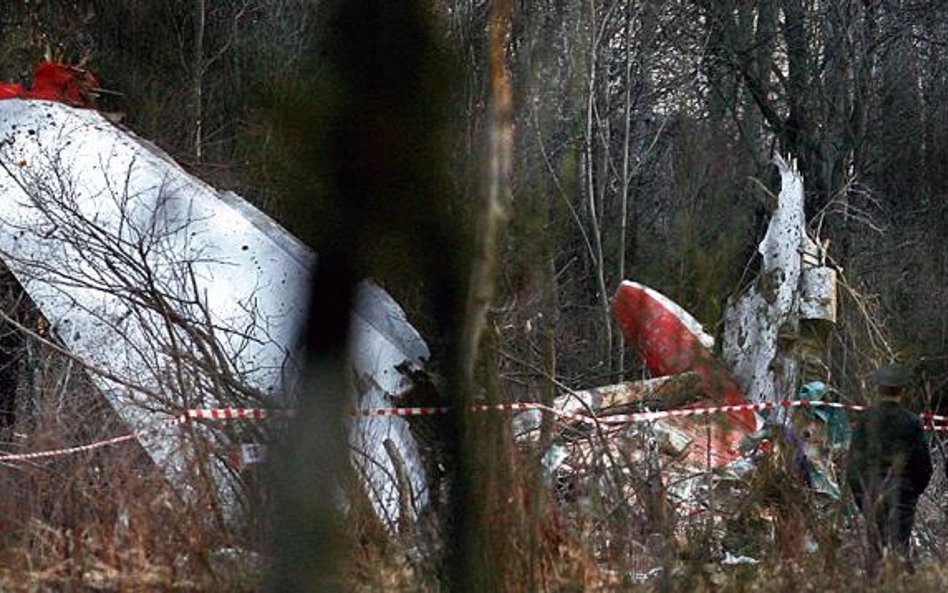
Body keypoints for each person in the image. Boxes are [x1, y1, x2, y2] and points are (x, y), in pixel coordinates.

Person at [846, 363, 933, 570]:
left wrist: (862, 497)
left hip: (872, 492)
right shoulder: (912, 422)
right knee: (899, 548)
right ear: (902, 391)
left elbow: (853, 465)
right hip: (902, 495)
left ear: (878, 389)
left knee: (876, 550)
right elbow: (923, 466)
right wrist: (912, 493)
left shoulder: (866, 419)